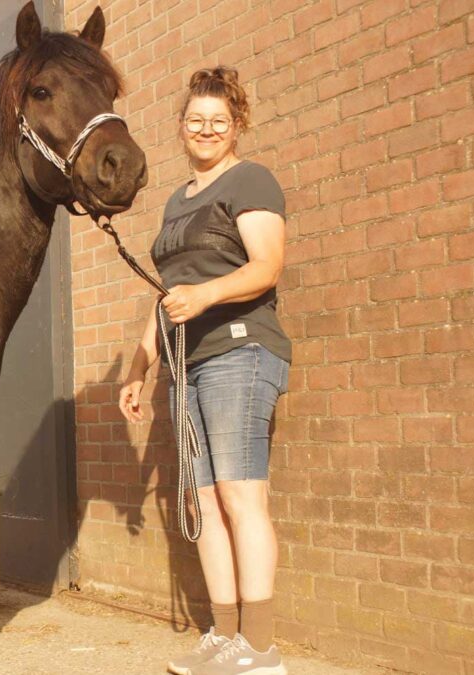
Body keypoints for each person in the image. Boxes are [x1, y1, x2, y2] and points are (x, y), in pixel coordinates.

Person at [118, 66, 290, 675]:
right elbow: (169, 293)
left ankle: (261, 649)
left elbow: (266, 266)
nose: (207, 129)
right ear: (181, 128)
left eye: (219, 120)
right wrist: (140, 365)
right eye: (196, 120)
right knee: (209, 502)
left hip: (241, 352)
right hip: (189, 363)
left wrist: (206, 296)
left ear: (237, 124)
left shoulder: (251, 180)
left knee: (243, 499)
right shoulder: (176, 201)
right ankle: (226, 636)